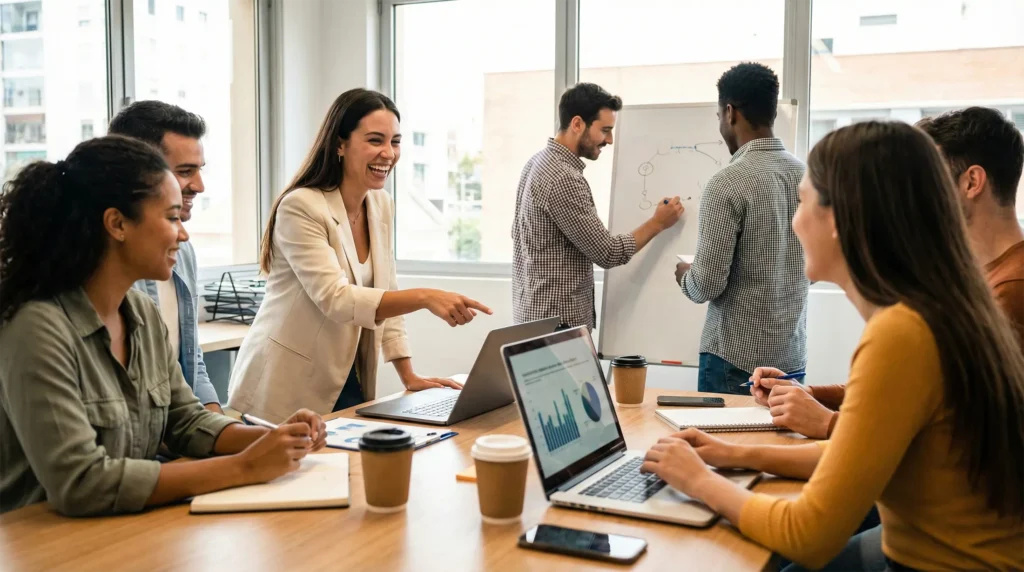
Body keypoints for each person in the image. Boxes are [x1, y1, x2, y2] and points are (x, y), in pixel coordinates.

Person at [642, 121, 1024, 570]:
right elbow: (856, 457)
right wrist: (731, 454)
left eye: (801, 202)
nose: (794, 221)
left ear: (841, 218)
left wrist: (698, 480)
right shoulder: (935, 309)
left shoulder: (902, 334)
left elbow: (808, 534)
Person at [0, 136, 328, 516]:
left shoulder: (141, 311)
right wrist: (246, 466)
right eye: (172, 217)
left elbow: (184, 420)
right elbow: (81, 482)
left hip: (124, 532)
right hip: (44, 547)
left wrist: (274, 439)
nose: (183, 233)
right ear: (117, 224)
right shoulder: (36, 327)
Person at [752, 106, 1024, 440]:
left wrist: (828, 423)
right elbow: (914, 389)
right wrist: (811, 395)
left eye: (929, 180)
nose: (914, 195)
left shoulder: (1012, 290)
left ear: (971, 182)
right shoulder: (969, 279)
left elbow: (956, 435)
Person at [227, 89, 492, 422]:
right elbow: (336, 299)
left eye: (395, 142)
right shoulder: (302, 207)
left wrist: (408, 375)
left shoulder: (380, 204)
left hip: (345, 379)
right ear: (340, 144)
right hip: (282, 386)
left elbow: (387, 292)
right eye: (375, 140)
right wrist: (425, 297)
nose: (388, 153)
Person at [673, 62, 807, 395]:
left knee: (719, 447)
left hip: (734, 361)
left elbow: (706, 285)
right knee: (777, 448)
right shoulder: (807, 176)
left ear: (730, 112)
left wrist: (685, 277)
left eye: (719, 115)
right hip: (792, 359)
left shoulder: (727, 183)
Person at [512, 82, 684, 330]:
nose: (610, 140)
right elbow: (608, 252)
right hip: (557, 327)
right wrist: (658, 222)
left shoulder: (536, 162)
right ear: (578, 124)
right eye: (605, 130)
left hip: (536, 318)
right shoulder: (564, 178)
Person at [107, 100, 222, 413]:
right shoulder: (99, 270)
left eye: (199, 171)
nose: (199, 185)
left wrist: (224, 430)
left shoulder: (182, 252)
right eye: (185, 172)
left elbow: (189, 364)